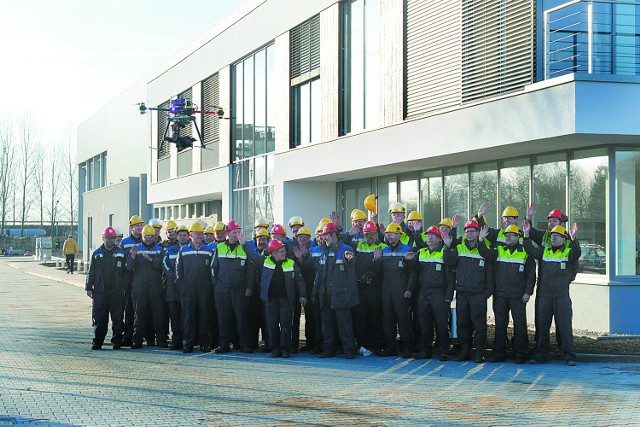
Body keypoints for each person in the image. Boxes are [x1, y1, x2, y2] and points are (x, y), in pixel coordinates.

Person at [523, 221, 581, 366]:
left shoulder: (568, 252)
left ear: (564, 239)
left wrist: (574, 239)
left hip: (561, 296)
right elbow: (530, 250)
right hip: (545, 295)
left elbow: (577, 254)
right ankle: (542, 354)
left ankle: (569, 356)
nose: (554, 238)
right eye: (552, 235)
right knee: (542, 326)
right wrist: (525, 235)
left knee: (565, 327)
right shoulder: (544, 251)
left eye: (557, 236)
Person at [478, 224, 535, 363]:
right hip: (500, 295)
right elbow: (485, 253)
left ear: (518, 237)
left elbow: (531, 275)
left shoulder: (525, 252)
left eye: (511, 235)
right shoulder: (500, 250)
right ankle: (498, 353)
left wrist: (528, 292)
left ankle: (520, 354)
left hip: (518, 296)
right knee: (500, 324)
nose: (508, 237)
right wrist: (480, 240)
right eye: (506, 235)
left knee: (520, 325)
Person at [443, 219, 494, 363]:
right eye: (466, 232)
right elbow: (449, 262)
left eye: (472, 231)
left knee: (479, 324)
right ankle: (465, 351)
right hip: (462, 293)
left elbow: (490, 268)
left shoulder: (485, 247)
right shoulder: (459, 248)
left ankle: (479, 352)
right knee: (462, 323)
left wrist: (487, 293)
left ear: (478, 233)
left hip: (478, 294)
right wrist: (447, 247)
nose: (469, 234)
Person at [312, 222, 359, 359]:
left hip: (341, 295)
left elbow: (350, 262)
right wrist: (315, 292)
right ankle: (328, 350)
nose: (324, 238)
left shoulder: (346, 249)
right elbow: (319, 274)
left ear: (334, 235)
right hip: (326, 294)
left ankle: (349, 350)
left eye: (326, 236)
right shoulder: (324, 251)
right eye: (323, 236)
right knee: (326, 325)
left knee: (345, 325)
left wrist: (348, 259)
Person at [256, 240, 306, 358]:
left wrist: (302, 294)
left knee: (286, 325)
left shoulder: (291, 263)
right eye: (281, 251)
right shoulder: (265, 261)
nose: (284, 253)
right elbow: (253, 257)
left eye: (284, 251)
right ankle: (275, 349)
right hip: (270, 300)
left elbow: (299, 280)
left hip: (286, 300)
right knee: (272, 325)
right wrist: (244, 244)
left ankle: (285, 349)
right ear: (273, 253)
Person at [210, 220, 254, 354]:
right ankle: (224, 345)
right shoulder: (219, 247)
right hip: (222, 290)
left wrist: (249, 287)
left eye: (238, 232)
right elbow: (213, 268)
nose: (237, 235)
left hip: (239, 290)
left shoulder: (245, 247)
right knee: (224, 318)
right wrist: (216, 285)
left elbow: (251, 270)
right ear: (227, 233)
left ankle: (243, 344)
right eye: (234, 232)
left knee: (242, 318)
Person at [412, 225, 455, 361]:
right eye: (427, 235)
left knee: (441, 323)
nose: (429, 238)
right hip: (424, 292)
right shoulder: (421, 252)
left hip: (439, 293)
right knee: (424, 322)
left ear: (438, 239)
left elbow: (450, 277)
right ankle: (426, 349)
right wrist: (406, 261)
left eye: (432, 236)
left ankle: (443, 351)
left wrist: (448, 296)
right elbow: (412, 268)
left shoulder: (444, 252)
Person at [376, 223, 417, 357]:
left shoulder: (407, 249)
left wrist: (409, 289)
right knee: (387, 319)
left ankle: (407, 348)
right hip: (387, 291)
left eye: (391, 233)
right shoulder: (384, 250)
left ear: (399, 235)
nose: (388, 236)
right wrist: (375, 260)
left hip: (401, 291)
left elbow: (413, 272)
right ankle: (390, 347)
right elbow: (378, 272)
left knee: (404, 319)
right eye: (387, 234)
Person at [125, 224, 167, 349]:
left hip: (156, 286)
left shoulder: (160, 249)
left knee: (158, 314)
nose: (148, 239)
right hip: (139, 287)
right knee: (139, 314)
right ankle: (137, 340)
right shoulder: (136, 248)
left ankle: (161, 340)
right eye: (145, 236)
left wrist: (150, 259)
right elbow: (128, 267)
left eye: (150, 236)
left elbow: (162, 265)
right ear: (142, 236)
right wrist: (132, 256)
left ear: (154, 237)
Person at [175, 222, 214, 353]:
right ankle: (188, 343)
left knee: (204, 316)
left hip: (204, 289)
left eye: (201, 234)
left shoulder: (209, 250)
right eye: (196, 234)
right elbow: (178, 269)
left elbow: (212, 269)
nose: (199, 236)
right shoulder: (183, 250)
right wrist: (182, 285)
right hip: (188, 290)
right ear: (190, 235)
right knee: (188, 317)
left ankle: (204, 343)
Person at [85, 226, 126, 350]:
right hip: (100, 291)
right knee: (100, 318)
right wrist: (88, 287)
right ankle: (98, 342)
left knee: (117, 318)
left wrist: (124, 287)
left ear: (115, 239)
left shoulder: (120, 253)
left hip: (117, 291)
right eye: (107, 238)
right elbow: (91, 271)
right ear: (103, 238)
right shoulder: (97, 254)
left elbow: (125, 271)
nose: (109, 241)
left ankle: (117, 341)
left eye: (112, 238)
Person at [353, 220, 385, 352]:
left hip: (375, 287)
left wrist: (375, 261)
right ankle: (362, 344)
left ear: (376, 234)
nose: (369, 237)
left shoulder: (383, 246)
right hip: (361, 287)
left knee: (375, 316)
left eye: (372, 234)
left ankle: (376, 345)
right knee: (360, 317)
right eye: (367, 234)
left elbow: (381, 270)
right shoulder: (359, 245)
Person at [162, 223, 190, 350]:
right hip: (172, 289)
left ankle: (186, 340)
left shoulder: (190, 249)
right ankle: (176, 340)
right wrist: (174, 277)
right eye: (180, 235)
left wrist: (182, 279)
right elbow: (165, 264)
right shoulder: (170, 250)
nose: (182, 237)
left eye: (185, 235)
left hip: (185, 288)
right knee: (174, 316)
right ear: (177, 237)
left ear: (188, 236)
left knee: (186, 315)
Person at [121, 215, 145, 346]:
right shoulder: (125, 242)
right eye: (137, 226)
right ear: (131, 228)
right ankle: (128, 336)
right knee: (129, 310)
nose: (140, 228)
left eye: (141, 225)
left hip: (140, 281)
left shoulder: (145, 240)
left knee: (140, 311)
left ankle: (139, 337)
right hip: (128, 280)